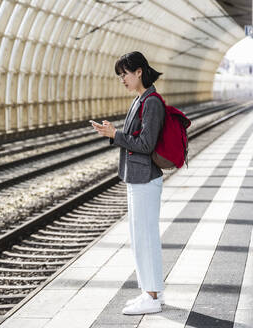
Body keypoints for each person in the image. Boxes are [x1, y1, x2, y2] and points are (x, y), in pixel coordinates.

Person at [91, 51, 165, 315]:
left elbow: (146, 144)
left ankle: (153, 296)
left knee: (146, 238)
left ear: (139, 72)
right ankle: (149, 291)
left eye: (124, 74)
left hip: (145, 178)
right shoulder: (140, 100)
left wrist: (116, 134)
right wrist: (114, 133)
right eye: (120, 75)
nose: (122, 79)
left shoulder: (152, 102)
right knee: (138, 237)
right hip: (136, 177)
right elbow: (133, 138)